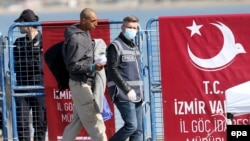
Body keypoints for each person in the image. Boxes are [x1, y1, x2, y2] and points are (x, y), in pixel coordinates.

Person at [61, 8, 107, 141]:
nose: (96, 24)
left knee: (76, 122)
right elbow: (72, 66)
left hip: (82, 82)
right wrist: (93, 67)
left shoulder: (83, 32)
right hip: (81, 84)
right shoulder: (76, 39)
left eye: (96, 20)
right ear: (83, 21)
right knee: (95, 121)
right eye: (93, 21)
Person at [106, 15, 144, 141]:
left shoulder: (134, 46)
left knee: (138, 130)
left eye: (134, 28)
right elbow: (112, 70)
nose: (132, 30)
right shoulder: (115, 46)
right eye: (129, 27)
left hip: (137, 93)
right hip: (123, 93)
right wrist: (127, 89)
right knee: (131, 126)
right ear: (122, 28)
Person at [13, 9, 47, 141]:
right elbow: (14, 65)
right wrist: (34, 60)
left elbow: (43, 65)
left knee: (40, 124)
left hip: (40, 87)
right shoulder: (18, 43)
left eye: (20, 23)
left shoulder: (45, 41)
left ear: (27, 24)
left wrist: (27, 61)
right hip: (22, 89)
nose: (18, 27)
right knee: (22, 124)